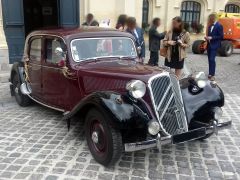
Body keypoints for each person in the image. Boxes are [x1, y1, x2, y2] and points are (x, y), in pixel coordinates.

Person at [205, 13, 223, 81]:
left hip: (215, 45)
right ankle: (210, 73)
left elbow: (221, 36)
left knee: (212, 59)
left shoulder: (219, 25)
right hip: (209, 45)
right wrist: (207, 38)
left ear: (213, 18)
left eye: (209, 18)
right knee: (209, 59)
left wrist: (212, 37)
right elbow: (209, 35)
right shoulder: (210, 26)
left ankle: (212, 75)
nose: (208, 20)